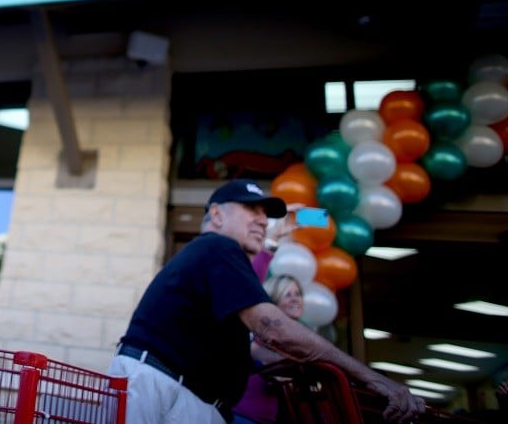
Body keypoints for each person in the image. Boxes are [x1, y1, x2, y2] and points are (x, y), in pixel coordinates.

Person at [108, 178, 426, 424]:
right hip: (162, 389)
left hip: (183, 394)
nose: (262, 220)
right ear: (216, 214)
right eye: (251, 209)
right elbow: (276, 330)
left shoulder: (218, 261)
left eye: (266, 214)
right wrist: (375, 380)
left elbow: (258, 339)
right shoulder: (218, 247)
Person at [231, 275, 305, 424]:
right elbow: (258, 353)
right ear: (273, 301)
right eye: (287, 295)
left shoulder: (294, 338)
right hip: (243, 416)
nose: (295, 299)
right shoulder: (262, 334)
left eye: (298, 294)